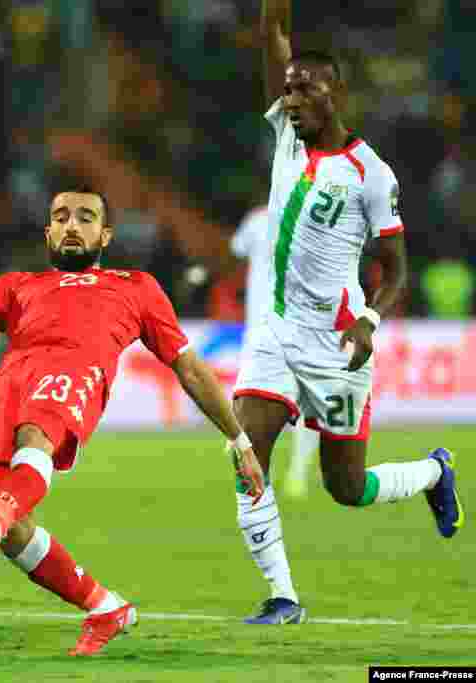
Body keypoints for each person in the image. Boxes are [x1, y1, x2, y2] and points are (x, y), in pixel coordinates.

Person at [0, 191, 266, 656]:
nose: (71, 226)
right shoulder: (19, 286)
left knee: (30, 448)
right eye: (60, 218)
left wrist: (239, 439)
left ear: (105, 235)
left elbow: (189, 367)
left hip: (74, 371)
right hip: (11, 383)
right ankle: (104, 607)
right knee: (5, 507)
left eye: (85, 218)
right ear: (47, 233)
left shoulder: (136, 287)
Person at [230, 0, 464, 626]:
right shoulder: (285, 136)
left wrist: (371, 320)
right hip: (275, 337)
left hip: (336, 346)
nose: (293, 99)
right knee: (245, 451)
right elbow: (271, 32)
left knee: (345, 488)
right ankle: (282, 596)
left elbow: (397, 269)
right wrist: (274, 19)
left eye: (306, 89)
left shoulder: (371, 174)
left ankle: (431, 473)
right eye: (288, 91)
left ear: (335, 95)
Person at [230, 204, 319, 499]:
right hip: (299, 328)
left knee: (252, 404)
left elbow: (236, 250)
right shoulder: (313, 216)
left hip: (262, 328)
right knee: (305, 403)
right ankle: (296, 473)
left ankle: (257, 473)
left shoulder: (256, 218)